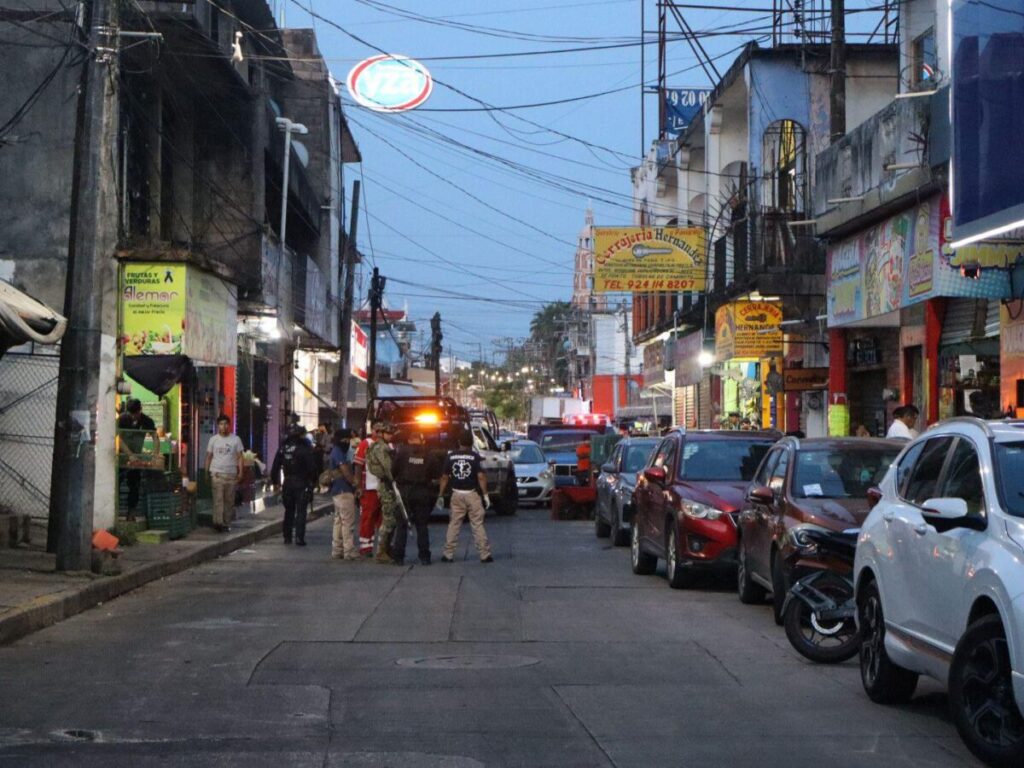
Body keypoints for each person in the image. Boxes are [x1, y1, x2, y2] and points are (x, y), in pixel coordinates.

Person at [439, 430, 493, 564]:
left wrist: (440, 495)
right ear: (471, 442)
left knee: (454, 524)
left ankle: (448, 554)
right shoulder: (475, 457)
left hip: (456, 494)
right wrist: (485, 495)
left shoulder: (451, 457)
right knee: (477, 524)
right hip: (472, 494)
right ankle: (484, 555)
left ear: (459, 442)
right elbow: (481, 477)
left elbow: (445, 477)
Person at [393, 430, 437, 566]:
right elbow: (435, 474)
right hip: (422, 492)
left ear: (409, 440)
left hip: (405, 492)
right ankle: (425, 556)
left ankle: (399, 557)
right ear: (421, 440)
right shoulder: (429, 455)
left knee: (401, 525)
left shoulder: (402, 453)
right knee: (422, 526)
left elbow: (393, 471)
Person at [271, 424, 317, 545]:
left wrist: (275, 482)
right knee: (301, 511)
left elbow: (275, 466)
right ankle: (299, 537)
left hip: (288, 482)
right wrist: (313, 482)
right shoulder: (304, 448)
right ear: (301, 435)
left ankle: (287, 537)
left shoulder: (283, 448)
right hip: (301, 482)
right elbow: (312, 467)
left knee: (289, 511)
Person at [117, 399, 159, 521]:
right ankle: (114, 513)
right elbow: (118, 438)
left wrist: (155, 455)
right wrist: (129, 454)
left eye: (135, 414)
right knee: (117, 483)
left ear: (140, 410)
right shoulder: (122, 419)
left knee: (134, 485)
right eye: (131, 414)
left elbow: (155, 438)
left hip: (137, 460)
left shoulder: (147, 421)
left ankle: (131, 514)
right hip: (122, 457)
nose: (133, 416)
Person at [365, 423, 401, 564]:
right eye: (388, 433)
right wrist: (396, 479)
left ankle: (386, 548)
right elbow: (388, 468)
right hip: (387, 485)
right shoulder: (381, 448)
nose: (391, 435)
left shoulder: (382, 446)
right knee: (389, 519)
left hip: (386, 484)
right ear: (381, 433)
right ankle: (381, 551)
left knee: (390, 518)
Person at [204, 415, 243, 532]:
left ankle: (226, 523)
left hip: (231, 475)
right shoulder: (213, 440)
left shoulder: (236, 439)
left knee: (229, 501)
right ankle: (218, 522)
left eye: (226, 424)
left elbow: (240, 457)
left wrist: (241, 472)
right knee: (218, 499)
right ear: (218, 426)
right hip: (217, 474)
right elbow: (209, 457)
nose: (224, 426)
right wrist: (206, 472)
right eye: (221, 424)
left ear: (229, 425)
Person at [327, 428, 358, 560]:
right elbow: (345, 471)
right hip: (344, 490)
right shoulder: (339, 452)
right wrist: (355, 483)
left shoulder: (335, 450)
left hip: (337, 491)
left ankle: (337, 550)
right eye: (346, 439)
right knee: (347, 522)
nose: (348, 442)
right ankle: (349, 551)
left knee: (338, 522)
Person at [354, 421, 384, 557]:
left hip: (384, 489)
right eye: (377, 431)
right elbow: (358, 466)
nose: (379, 434)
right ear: (372, 430)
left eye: (381, 431)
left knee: (383, 520)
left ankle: (382, 548)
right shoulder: (365, 444)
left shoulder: (387, 445)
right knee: (368, 518)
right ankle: (366, 547)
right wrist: (358, 486)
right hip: (369, 488)